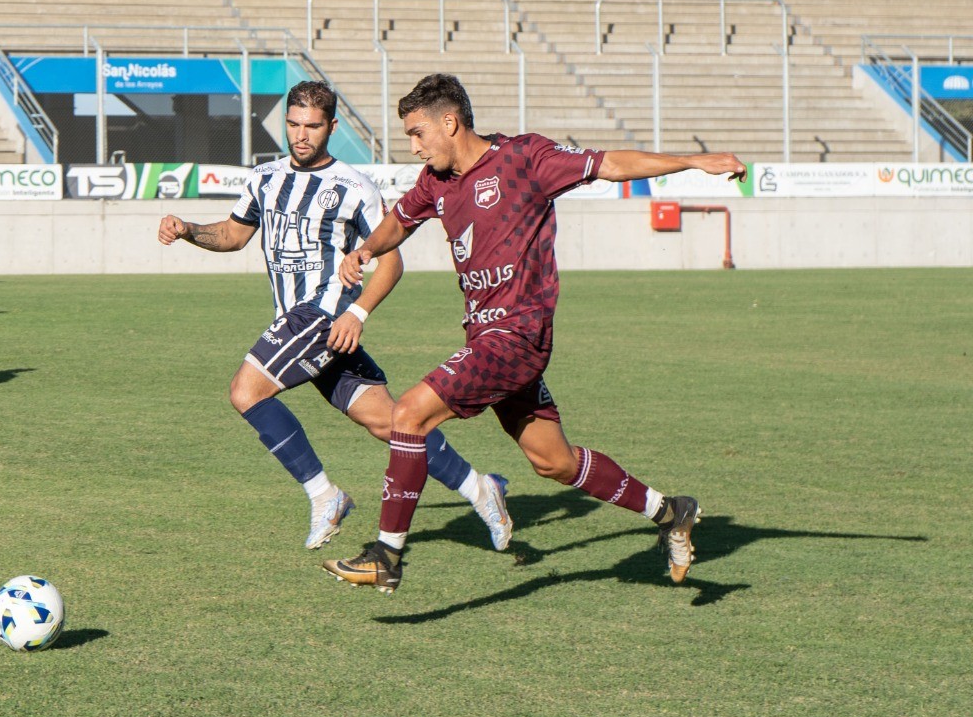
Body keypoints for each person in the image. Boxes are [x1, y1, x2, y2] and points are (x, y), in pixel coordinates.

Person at [322, 73, 747, 593]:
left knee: (407, 415)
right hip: (485, 340)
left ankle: (386, 555)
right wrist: (366, 251)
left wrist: (691, 161)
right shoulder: (437, 181)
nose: (413, 147)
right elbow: (399, 221)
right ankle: (670, 511)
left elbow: (609, 163)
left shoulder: (524, 159)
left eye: (417, 133)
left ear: (449, 123)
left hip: (517, 336)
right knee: (554, 461)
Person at [158, 80, 511, 552]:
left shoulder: (353, 187)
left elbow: (392, 259)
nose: (301, 135)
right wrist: (188, 230)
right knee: (391, 423)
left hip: (322, 317)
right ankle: (478, 487)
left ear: (332, 127)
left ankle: (325, 495)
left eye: (313, 126)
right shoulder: (264, 178)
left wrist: (358, 312)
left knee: (246, 390)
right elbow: (234, 235)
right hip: (300, 322)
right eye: (293, 124)